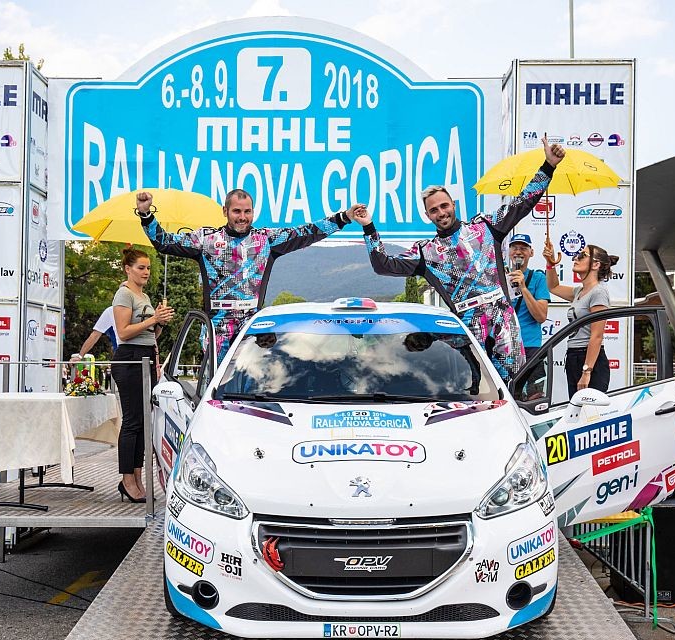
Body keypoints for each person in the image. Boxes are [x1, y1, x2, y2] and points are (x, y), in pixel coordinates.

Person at [361, 137, 565, 382]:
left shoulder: (486, 227)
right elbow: (382, 265)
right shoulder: (425, 252)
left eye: (444, 206)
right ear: (427, 216)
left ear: (453, 205)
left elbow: (522, 203)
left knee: (512, 389)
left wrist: (548, 166)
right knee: (476, 391)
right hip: (468, 330)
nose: (441, 212)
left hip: (504, 323)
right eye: (434, 210)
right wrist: (368, 227)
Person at [138, 189, 365, 362]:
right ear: (225, 211)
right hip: (217, 326)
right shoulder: (206, 239)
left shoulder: (266, 239)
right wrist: (146, 215)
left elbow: (307, 232)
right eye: (237, 211)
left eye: (247, 211)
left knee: (249, 384)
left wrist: (343, 217)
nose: (242, 217)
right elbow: (164, 242)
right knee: (214, 388)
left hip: (253, 327)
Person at [112, 248, 174, 503]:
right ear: (128, 269)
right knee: (132, 421)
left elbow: (150, 335)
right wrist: (152, 319)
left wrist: (159, 323)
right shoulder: (124, 294)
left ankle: (137, 478)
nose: (146, 272)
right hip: (130, 359)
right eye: (141, 267)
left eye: (148, 268)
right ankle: (127, 480)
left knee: (143, 423)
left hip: (147, 356)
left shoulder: (144, 296)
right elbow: (123, 332)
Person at [542, 240, 618, 396]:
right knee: (576, 407)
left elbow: (597, 336)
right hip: (573, 356)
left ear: (596, 265)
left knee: (590, 409)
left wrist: (587, 370)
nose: (576, 258)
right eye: (576, 255)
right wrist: (550, 263)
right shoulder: (579, 291)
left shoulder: (598, 292)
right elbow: (553, 287)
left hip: (589, 360)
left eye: (582, 255)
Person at [506, 233, 550, 355]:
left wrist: (524, 288)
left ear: (531, 252)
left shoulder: (539, 278)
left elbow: (541, 317)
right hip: (504, 344)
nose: (518, 252)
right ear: (509, 252)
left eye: (523, 248)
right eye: (514, 248)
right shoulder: (500, 277)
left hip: (529, 344)